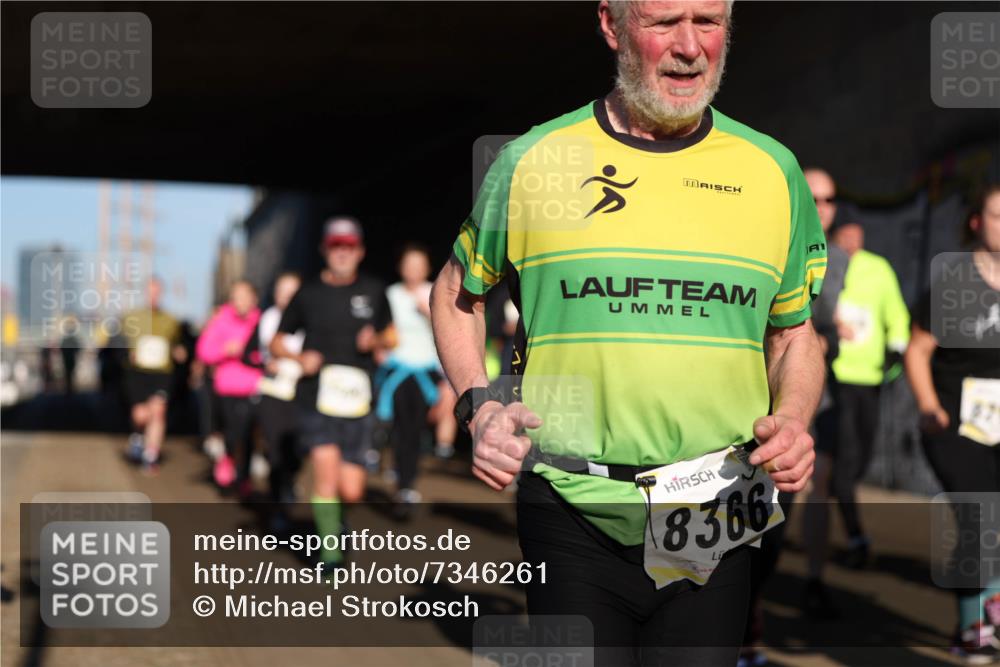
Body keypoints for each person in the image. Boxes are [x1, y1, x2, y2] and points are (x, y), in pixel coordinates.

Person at [431, 2, 825, 664]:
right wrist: (479, 403)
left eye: (709, 21)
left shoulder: (773, 171)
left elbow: (793, 335)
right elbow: (453, 295)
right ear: (613, 26)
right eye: (665, 21)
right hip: (571, 499)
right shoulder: (535, 160)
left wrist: (792, 417)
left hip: (716, 507)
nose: (691, 47)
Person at [905, 184, 1000, 663]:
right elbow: (918, 351)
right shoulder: (955, 284)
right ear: (977, 223)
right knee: (981, 516)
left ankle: (983, 615)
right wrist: (928, 406)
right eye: (998, 215)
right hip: (955, 421)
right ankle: (977, 624)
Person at [271, 217, 395, 570]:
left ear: (360, 252)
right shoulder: (307, 293)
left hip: (357, 400)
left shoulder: (374, 290)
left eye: (349, 247)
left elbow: (392, 335)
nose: (342, 253)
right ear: (325, 250)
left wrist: (377, 340)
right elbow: (276, 341)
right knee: (325, 474)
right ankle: (330, 555)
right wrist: (298, 357)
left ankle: (338, 519)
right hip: (315, 397)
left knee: (352, 490)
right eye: (336, 247)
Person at [829, 218, 910, 568]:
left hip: (871, 378)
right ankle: (856, 536)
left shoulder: (878, 268)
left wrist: (896, 350)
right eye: (845, 236)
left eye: (857, 237)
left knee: (860, 456)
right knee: (846, 462)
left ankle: (840, 494)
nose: (852, 242)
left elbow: (896, 313)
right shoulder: (824, 263)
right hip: (836, 376)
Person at [376, 243, 457, 518]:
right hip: (397, 369)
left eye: (418, 265)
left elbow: (453, 331)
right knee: (401, 427)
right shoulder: (390, 294)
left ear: (426, 268)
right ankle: (404, 483)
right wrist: (379, 347)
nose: (412, 270)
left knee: (417, 427)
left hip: (427, 370)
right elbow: (380, 329)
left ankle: (406, 477)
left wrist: (430, 314)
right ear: (401, 267)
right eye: (408, 265)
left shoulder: (436, 291)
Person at [244, 272, 305, 523]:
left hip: (301, 392)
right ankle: (278, 506)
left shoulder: (311, 319)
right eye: (282, 291)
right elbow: (248, 354)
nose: (286, 297)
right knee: (276, 449)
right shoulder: (266, 319)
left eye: (292, 292)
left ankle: (289, 483)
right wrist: (264, 364)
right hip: (272, 391)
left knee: (298, 450)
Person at [196, 280, 262, 497]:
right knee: (232, 433)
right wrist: (226, 350)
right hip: (227, 387)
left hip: (254, 386)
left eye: (245, 296)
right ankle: (228, 460)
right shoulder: (221, 320)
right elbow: (204, 351)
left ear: (254, 299)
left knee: (250, 435)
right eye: (236, 297)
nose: (240, 302)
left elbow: (268, 351)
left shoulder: (261, 322)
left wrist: (249, 353)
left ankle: (244, 477)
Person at [122, 277, 186, 474]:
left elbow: (178, 344)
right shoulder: (130, 318)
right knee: (141, 415)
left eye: (157, 291)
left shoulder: (171, 321)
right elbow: (118, 346)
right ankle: (138, 434)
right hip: (139, 373)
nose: (153, 296)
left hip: (161, 373)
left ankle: (151, 455)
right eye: (150, 291)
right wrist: (127, 354)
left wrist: (179, 352)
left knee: (158, 411)